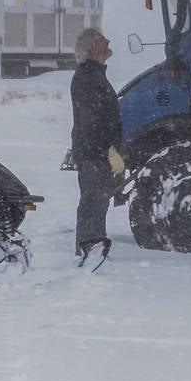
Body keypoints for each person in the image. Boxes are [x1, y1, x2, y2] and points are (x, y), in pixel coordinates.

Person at [70, 27, 123, 265]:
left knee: (99, 200)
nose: (108, 40)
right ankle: (87, 248)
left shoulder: (95, 75)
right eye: (102, 39)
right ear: (91, 48)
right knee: (93, 199)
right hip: (93, 152)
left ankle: (96, 247)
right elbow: (93, 119)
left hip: (97, 151)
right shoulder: (87, 78)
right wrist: (107, 148)